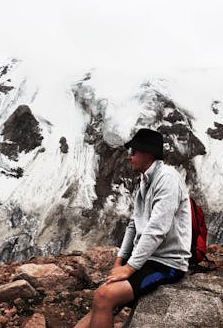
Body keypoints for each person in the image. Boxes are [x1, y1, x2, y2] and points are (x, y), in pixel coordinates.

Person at [75, 128, 192, 328]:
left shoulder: (167, 179)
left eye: (134, 151)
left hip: (167, 265)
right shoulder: (145, 181)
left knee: (104, 296)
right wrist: (119, 262)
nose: (129, 156)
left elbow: (157, 230)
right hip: (148, 259)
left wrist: (129, 268)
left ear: (149, 154)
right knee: (101, 297)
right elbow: (133, 224)